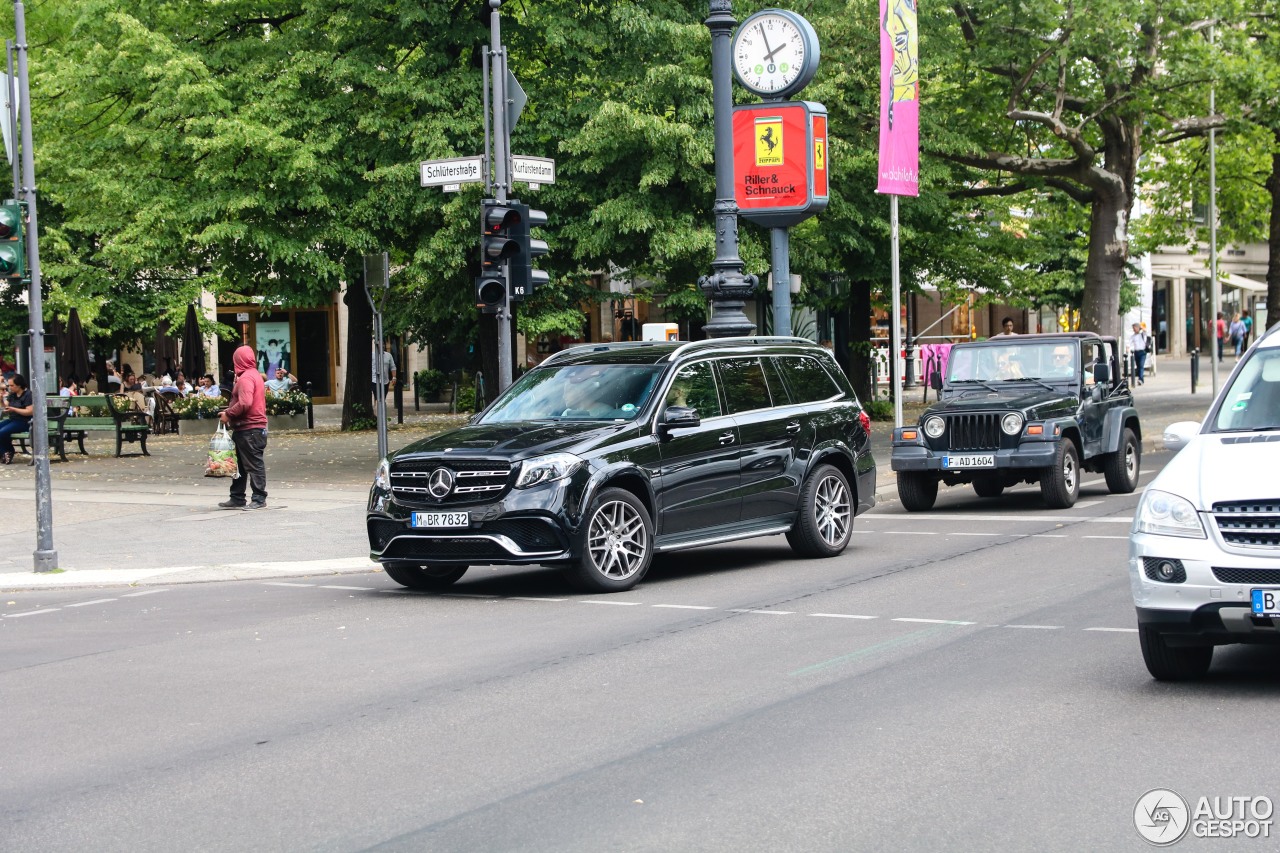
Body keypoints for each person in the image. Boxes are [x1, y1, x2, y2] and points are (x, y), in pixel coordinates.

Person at [218, 345, 268, 510]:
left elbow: (245, 403)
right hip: (248, 429)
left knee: (253, 464)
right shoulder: (254, 375)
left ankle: (259, 498)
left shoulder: (246, 378)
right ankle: (237, 497)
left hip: (250, 429)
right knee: (238, 464)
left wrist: (228, 414)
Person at [0, 373, 33, 464]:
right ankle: (5, 452)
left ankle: (8, 451)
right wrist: (2, 400)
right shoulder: (13, 394)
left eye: (12, 385)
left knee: (2, 432)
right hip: (13, 419)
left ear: (19, 385)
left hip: (24, 421)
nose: (10, 387)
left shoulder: (28, 395)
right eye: (9, 385)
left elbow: (29, 411)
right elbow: (6, 405)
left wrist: (14, 409)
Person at [372, 340, 396, 405]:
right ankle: (377, 410)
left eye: (383, 344)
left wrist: (394, 377)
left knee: (383, 398)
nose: (382, 346)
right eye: (380, 344)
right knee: (378, 398)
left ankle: (382, 411)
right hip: (375, 380)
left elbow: (393, 367)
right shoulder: (372, 355)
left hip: (385, 381)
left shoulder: (388, 355)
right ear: (376, 346)